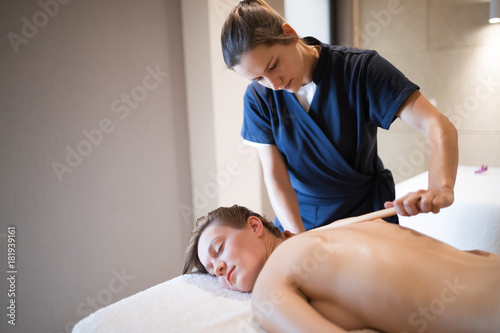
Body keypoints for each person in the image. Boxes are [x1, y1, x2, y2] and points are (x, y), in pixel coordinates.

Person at [221, 0, 459, 233]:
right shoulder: (258, 98)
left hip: (364, 218)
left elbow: (436, 123)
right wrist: (298, 241)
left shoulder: (360, 70)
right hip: (297, 222)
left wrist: (440, 187)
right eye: (258, 78)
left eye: (273, 65)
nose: (274, 84)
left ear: (290, 34)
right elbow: (276, 177)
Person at [183, 205, 500, 333]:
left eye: (218, 249)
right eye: (212, 271)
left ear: (255, 227)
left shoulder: (270, 283)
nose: (219, 267)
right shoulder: (343, 226)